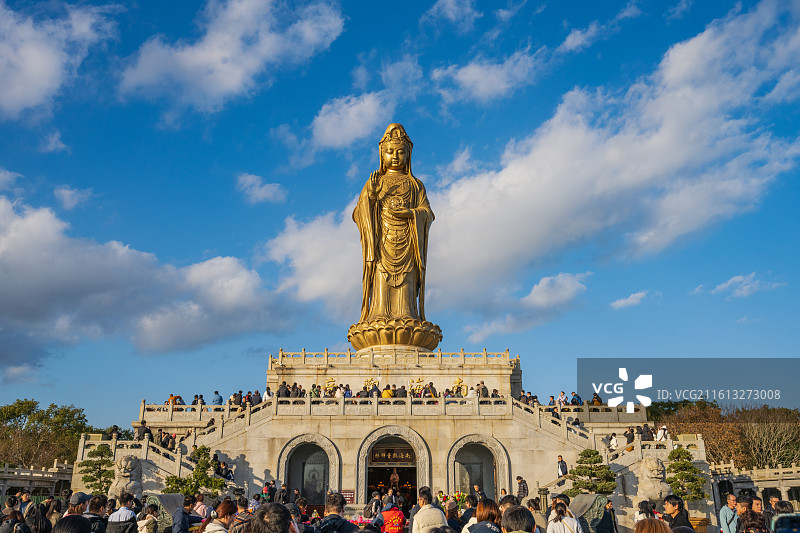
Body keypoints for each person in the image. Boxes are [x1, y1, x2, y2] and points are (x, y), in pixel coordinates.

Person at [350, 123, 435, 335]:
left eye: (400, 152)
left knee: (406, 284)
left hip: (408, 241)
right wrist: (370, 196)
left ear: (408, 154)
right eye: (390, 152)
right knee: (381, 280)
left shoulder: (415, 185)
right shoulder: (374, 181)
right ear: (382, 154)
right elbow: (358, 213)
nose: (395, 156)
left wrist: (412, 214)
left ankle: (408, 315)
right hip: (382, 242)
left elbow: (427, 213)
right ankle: (378, 314)